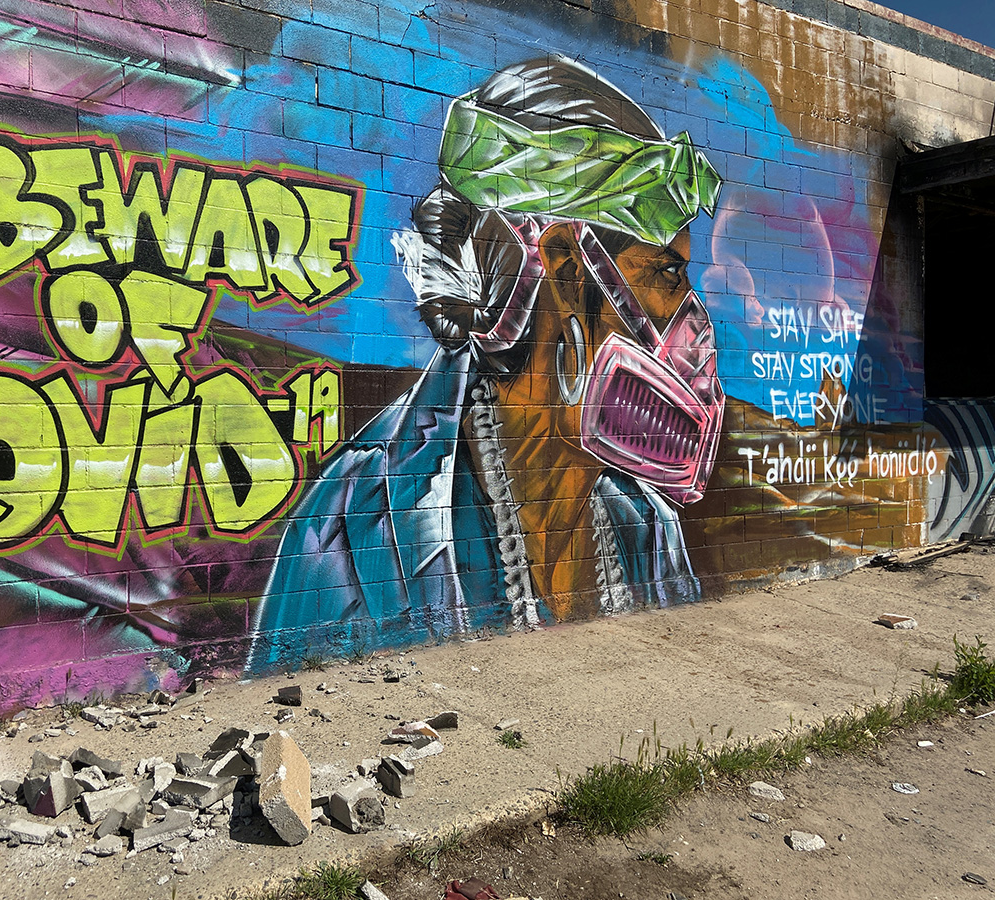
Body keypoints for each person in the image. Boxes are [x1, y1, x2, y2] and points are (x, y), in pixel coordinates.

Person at [247, 56, 724, 672]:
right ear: (567, 271)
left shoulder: (645, 528)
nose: (692, 321)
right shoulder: (357, 519)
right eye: (665, 271)